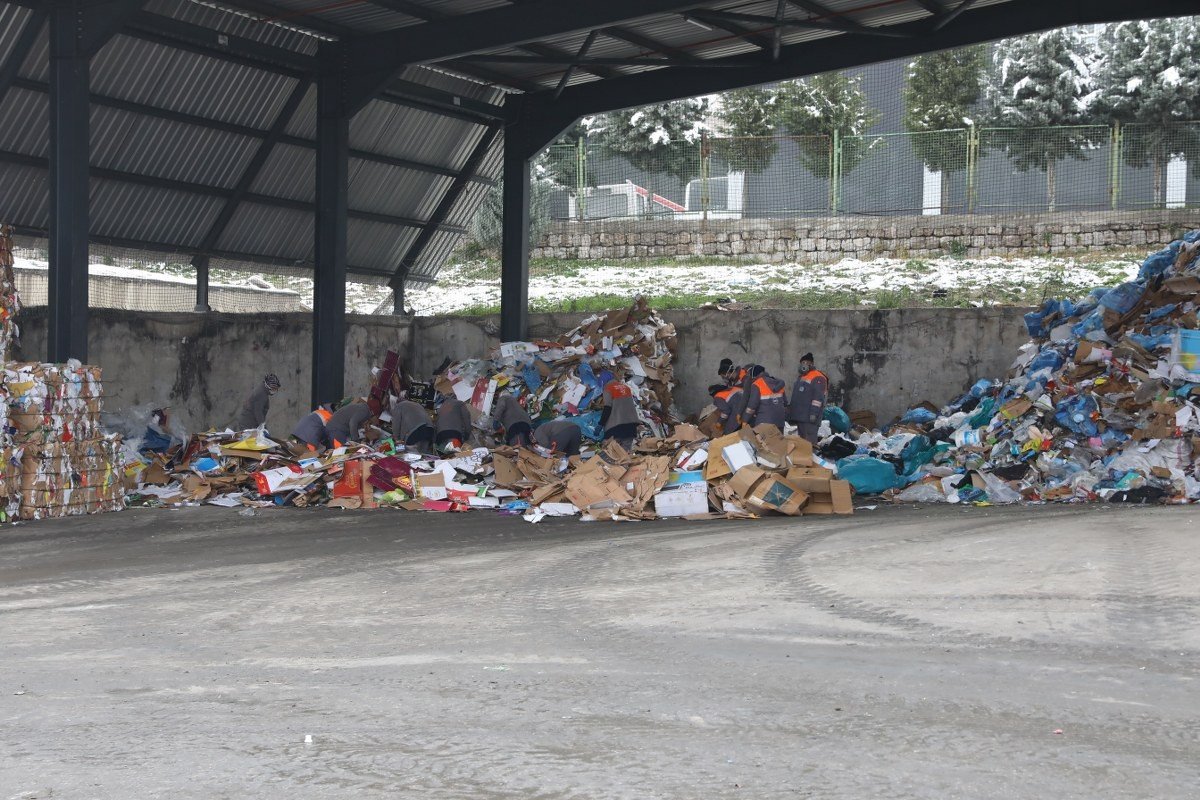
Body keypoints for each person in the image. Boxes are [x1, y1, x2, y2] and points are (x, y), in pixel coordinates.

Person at [788, 353, 829, 443]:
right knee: (803, 443)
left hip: (810, 418)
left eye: (805, 362)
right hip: (801, 417)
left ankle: (812, 456)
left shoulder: (818, 377)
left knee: (810, 442)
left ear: (811, 363)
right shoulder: (802, 377)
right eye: (802, 362)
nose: (803, 364)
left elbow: (818, 398)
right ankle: (805, 457)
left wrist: (813, 414)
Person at [600, 378, 639, 450]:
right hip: (631, 426)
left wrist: (601, 424)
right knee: (624, 453)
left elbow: (607, 408)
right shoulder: (627, 388)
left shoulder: (608, 388)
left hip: (617, 427)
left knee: (608, 452)